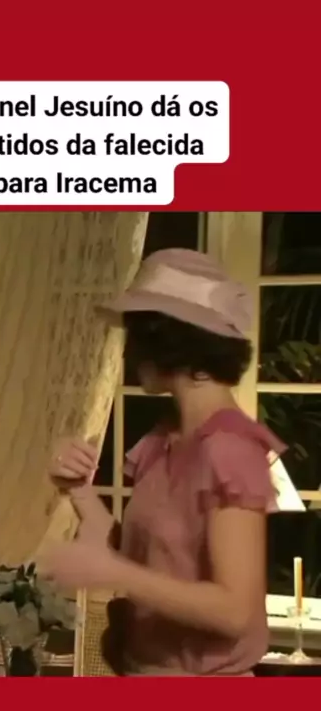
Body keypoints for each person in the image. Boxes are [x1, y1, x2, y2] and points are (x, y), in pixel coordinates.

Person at [42, 248, 286, 676]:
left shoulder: (229, 448)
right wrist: (78, 490)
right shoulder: (164, 439)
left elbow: (235, 611)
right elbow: (144, 560)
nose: (129, 354)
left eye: (136, 336)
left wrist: (112, 572)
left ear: (168, 341)